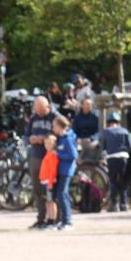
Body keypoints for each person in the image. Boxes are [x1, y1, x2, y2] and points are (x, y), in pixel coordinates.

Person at [26, 96, 60, 229]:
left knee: (52, 191)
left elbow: (62, 133)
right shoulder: (33, 118)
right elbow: (26, 135)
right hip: (36, 156)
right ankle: (41, 219)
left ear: (48, 107)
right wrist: (31, 139)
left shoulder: (55, 117)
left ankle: (55, 219)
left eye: (41, 110)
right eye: (36, 109)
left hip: (51, 158)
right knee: (38, 190)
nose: (38, 112)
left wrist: (46, 139)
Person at [100, 111, 131, 212]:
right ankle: (124, 204)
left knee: (113, 181)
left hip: (112, 158)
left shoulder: (106, 132)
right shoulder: (124, 131)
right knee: (123, 181)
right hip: (124, 157)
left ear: (109, 122)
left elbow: (103, 147)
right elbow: (130, 146)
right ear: (118, 122)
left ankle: (114, 204)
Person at [51, 115, 78, 230]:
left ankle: (68, 221)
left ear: (60, 126)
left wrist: (58, 154)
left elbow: (73, 155)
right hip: (60, 170)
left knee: (62, 194)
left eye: (54, 125)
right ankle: (62, 220)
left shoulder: (67, 138)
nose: (53, 127)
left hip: (66, 170)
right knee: (60, 195)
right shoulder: (60, 138)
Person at [37, 133, 60, 230]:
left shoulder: (53, 155)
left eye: (50, 143)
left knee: (51, 202)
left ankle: (52, 220)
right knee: (48, 202)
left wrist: (50, 183)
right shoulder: (48, 154)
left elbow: (53, 170)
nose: (47, 145)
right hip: (45, 181)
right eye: (46, 143)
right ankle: (49, 219)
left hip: (50, 182)